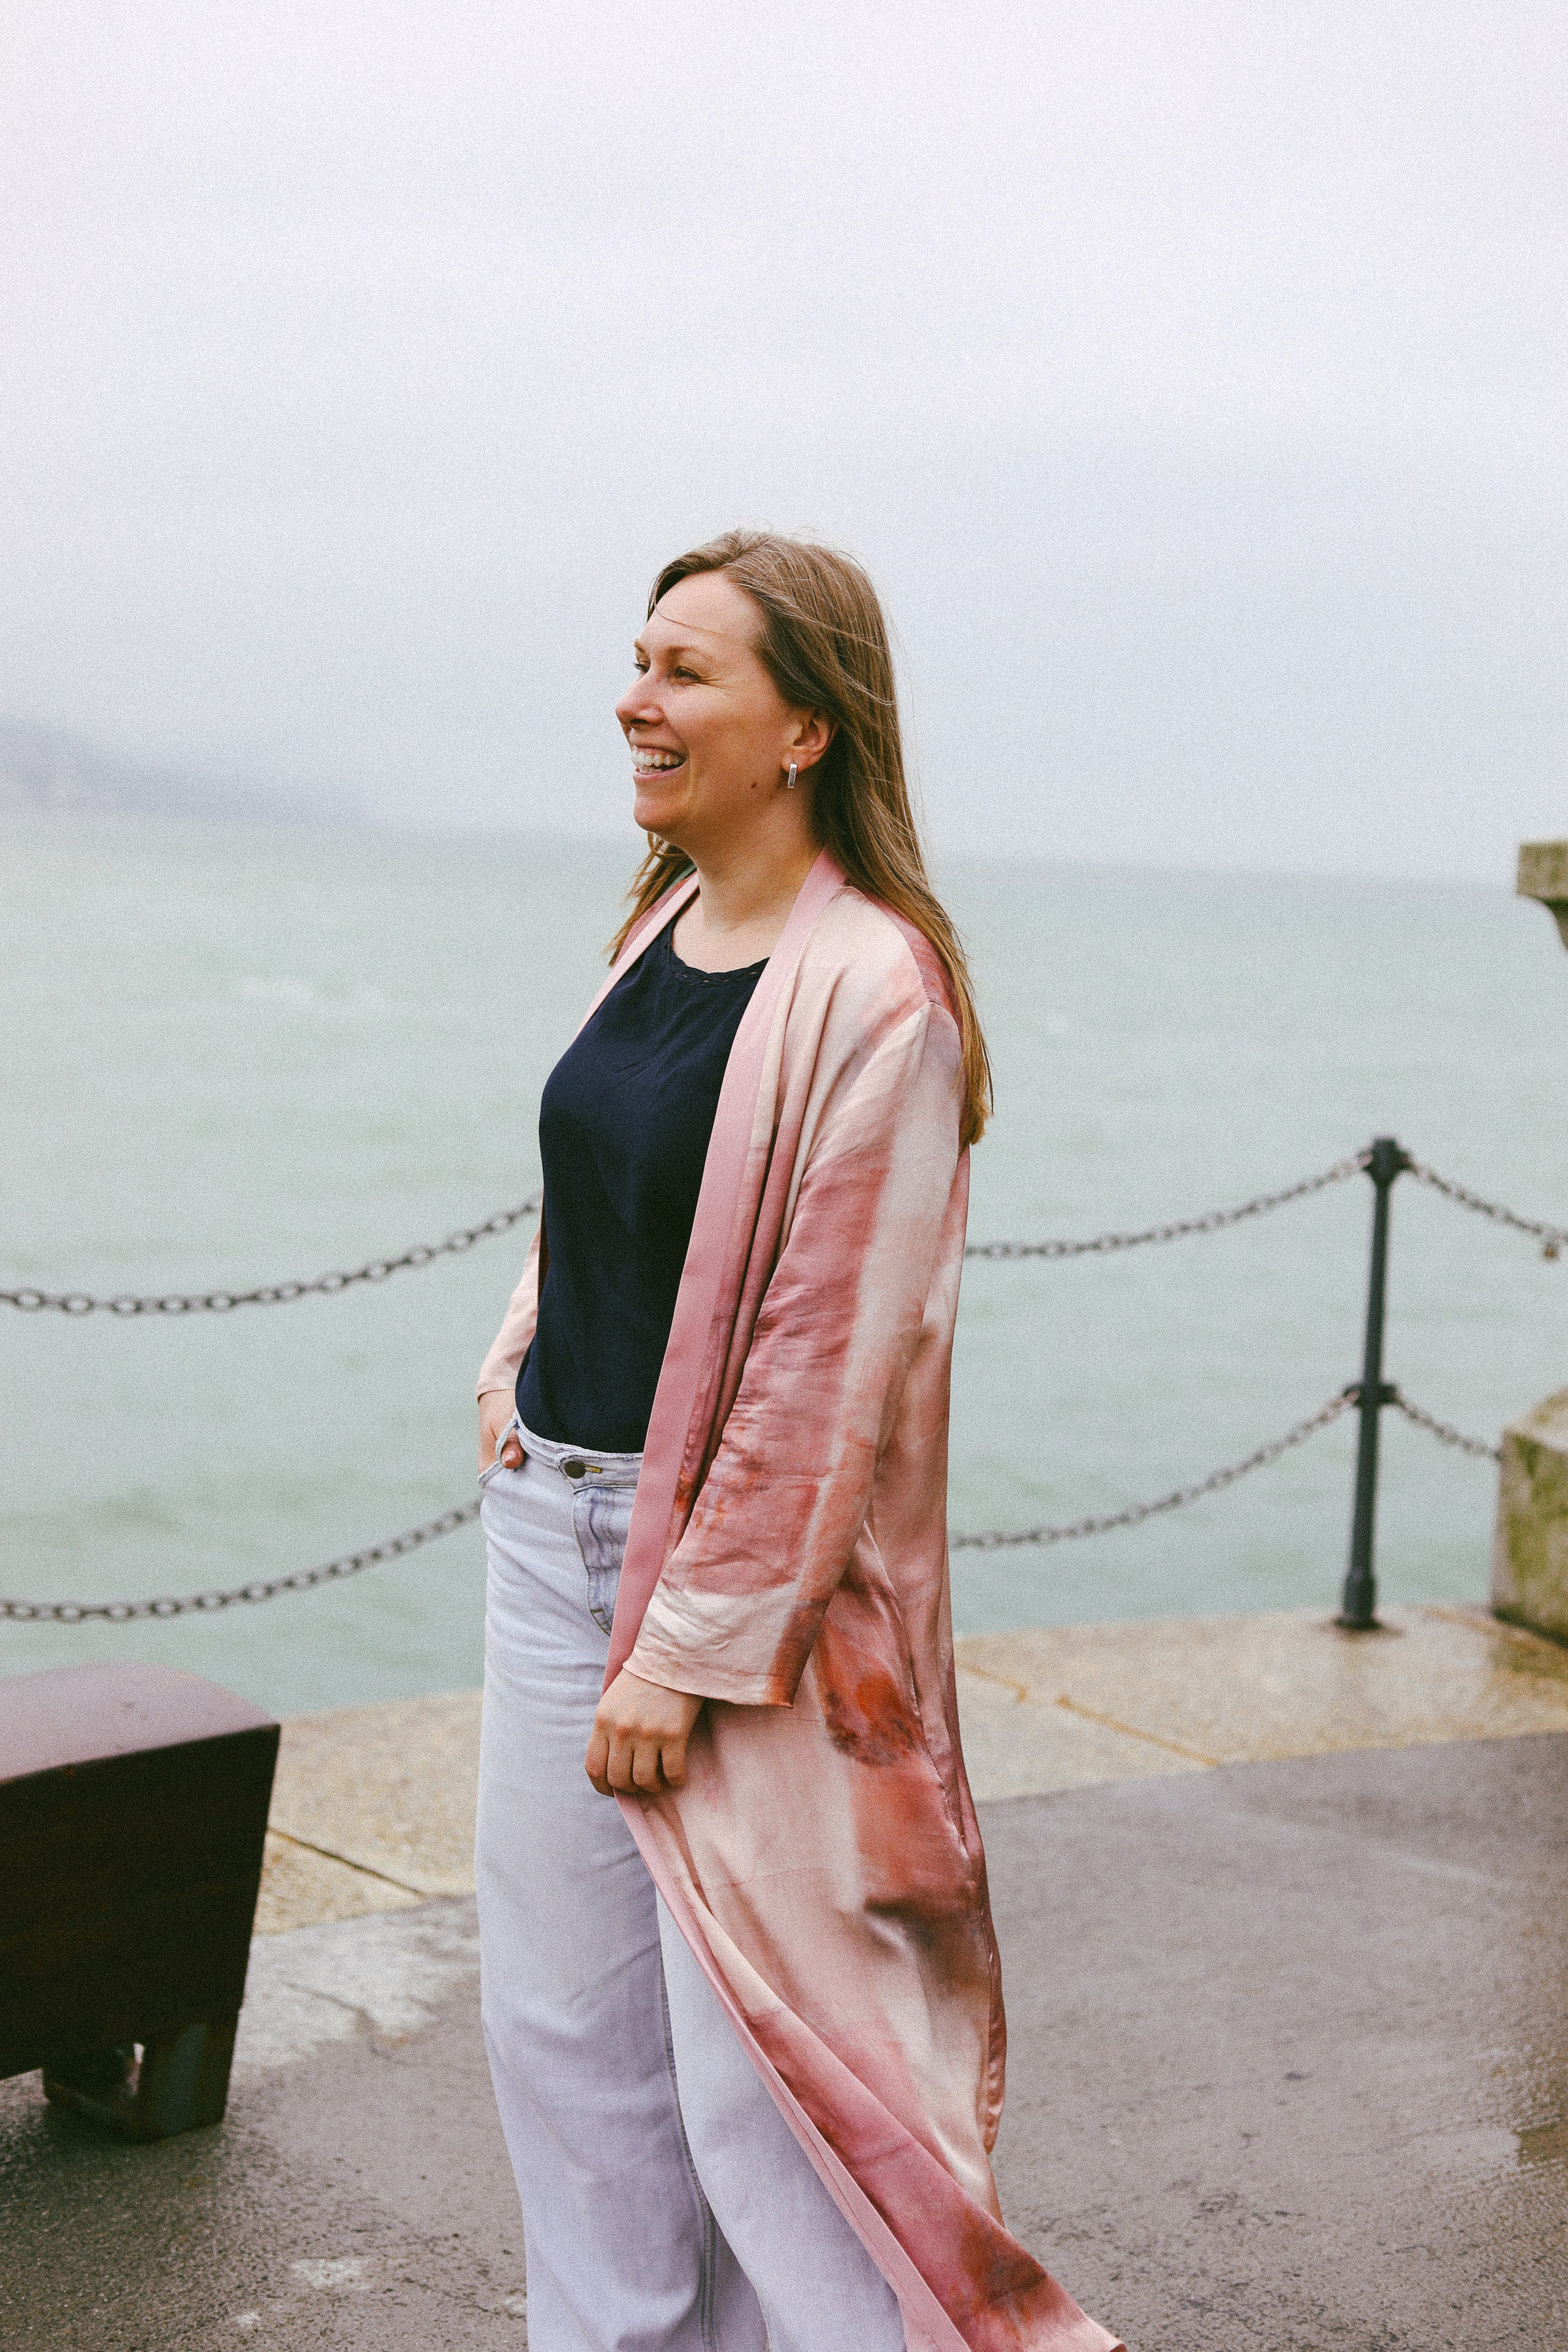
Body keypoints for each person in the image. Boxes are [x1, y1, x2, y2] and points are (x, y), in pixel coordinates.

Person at [473, 530, 1120, 2352]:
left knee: (768, 2087)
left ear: (807, 728)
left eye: (685, 671)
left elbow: (817, 1373)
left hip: (733, 1623)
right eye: (638, 658)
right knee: (566, 2053)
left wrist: (678, 1655)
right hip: (553, 1537)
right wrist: (517, 1376)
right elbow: (601, 1194)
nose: (635, 699)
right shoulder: (662, 924)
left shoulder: (876, 994)